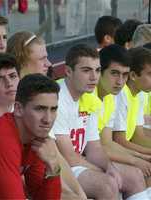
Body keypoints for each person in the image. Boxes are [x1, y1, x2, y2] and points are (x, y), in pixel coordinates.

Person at [7, 31, 87, 199]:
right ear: (21, 62)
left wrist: (80, 195)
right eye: (42, 59)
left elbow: (54, 156)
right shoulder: (11, 104)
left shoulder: (40, 97)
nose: (49, 64)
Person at [50, 43, 123, 200]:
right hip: (58, 168)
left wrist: (109, 167)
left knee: (133, 175)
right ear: (68, 71)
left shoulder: (89, 98)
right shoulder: (56, 98)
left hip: (77, 163)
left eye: (97, 70)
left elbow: (94, 148)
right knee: (106, 185)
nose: (94, 77)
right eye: (86, 70)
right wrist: (101, 171)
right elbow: (68, 157)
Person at [80, 44, 150, 199]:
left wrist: (141, 158)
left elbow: (107, 142)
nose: (120, 81)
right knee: (135, 173)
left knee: (140, 170)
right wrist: (136, 159)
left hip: (90, 156)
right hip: (81, 158)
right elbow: (110, 143)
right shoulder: (88, 96)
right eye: (114, 73)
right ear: (100, 71)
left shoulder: (110, 98)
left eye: (124, 75)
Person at [113, 47, 151, 156]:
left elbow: (137, 135)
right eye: (150, 74)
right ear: (133, 75)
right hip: (114, 151)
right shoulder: (121, 94)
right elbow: (119, 141)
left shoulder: (140, 94)